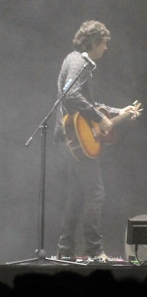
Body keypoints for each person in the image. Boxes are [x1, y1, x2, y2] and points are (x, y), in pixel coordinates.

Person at [54, 20, 140, 262]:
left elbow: (90, 106)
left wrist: (119, 111)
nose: (106, 48)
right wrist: (100, 118)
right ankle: (94, 251)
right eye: (104, 43)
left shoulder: (78, 62)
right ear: (93, 42)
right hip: (75, 138)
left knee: (77, 195)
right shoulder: (78, 61)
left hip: (70, 139)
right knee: (96, 193)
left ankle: (65, 249)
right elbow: (70, 95)